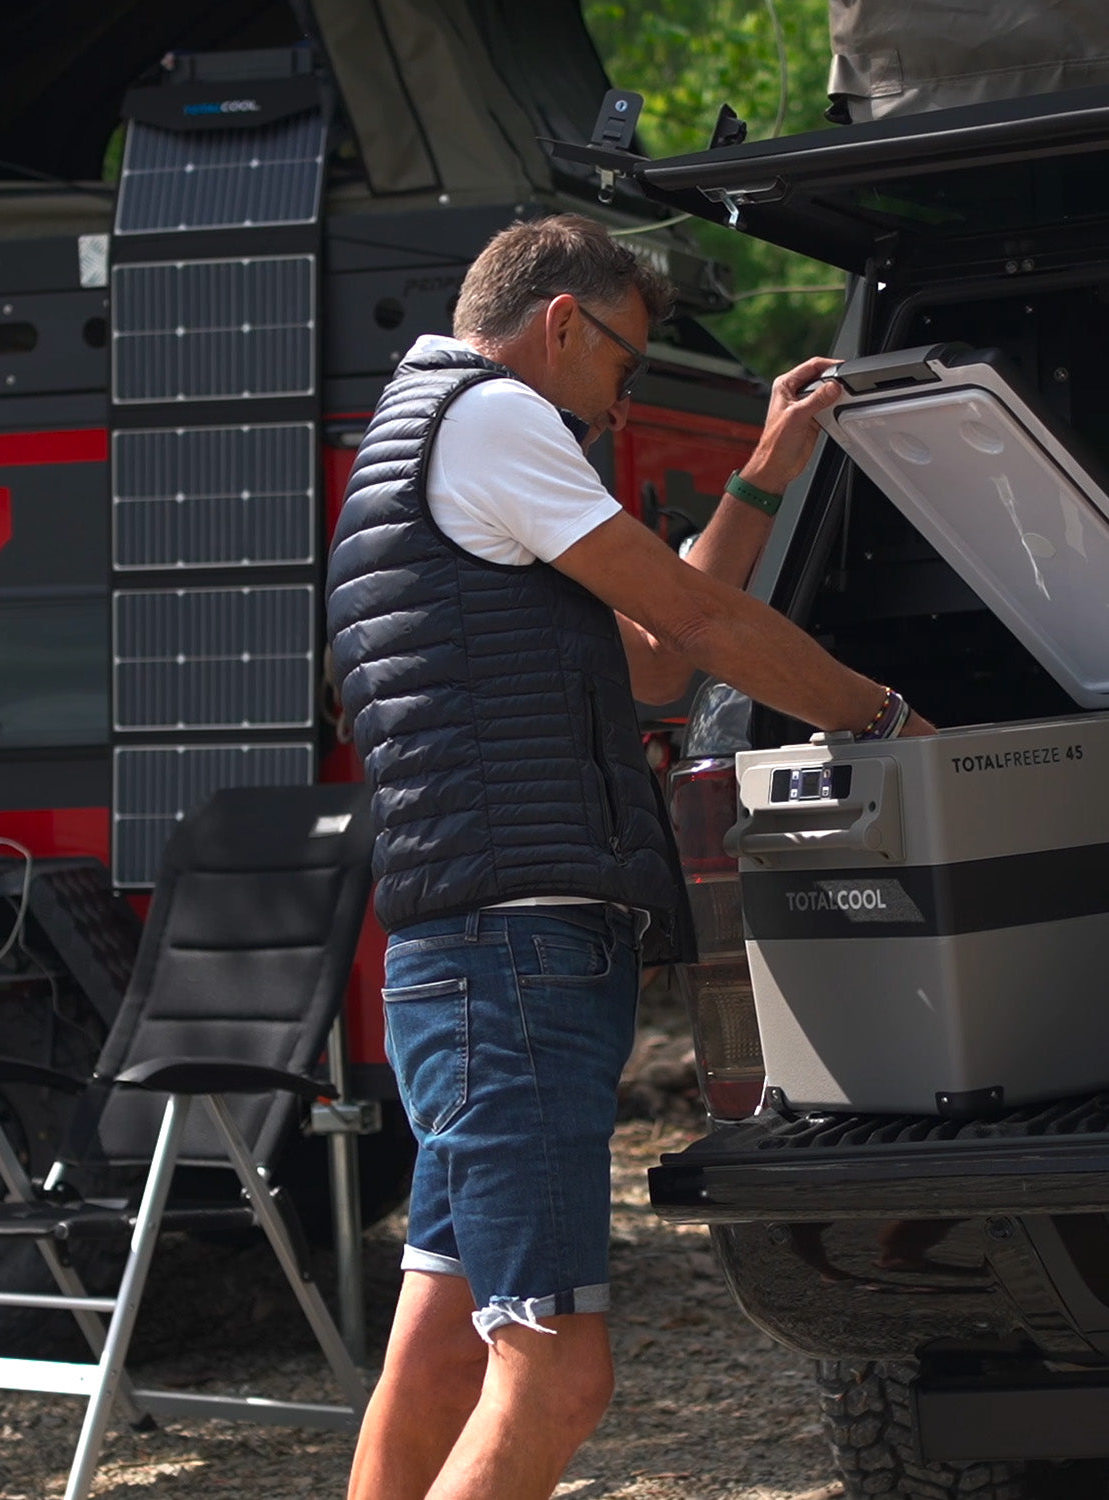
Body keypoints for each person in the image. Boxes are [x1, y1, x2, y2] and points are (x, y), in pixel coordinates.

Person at [326, 212, 932, 1500]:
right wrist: (893, 728)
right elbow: (701, 624)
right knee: (559, 1368)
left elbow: (652, 656)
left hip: (468, 958)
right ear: (560, 323)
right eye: (626, 363)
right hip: (516, 958)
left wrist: (767, 466)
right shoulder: (492, 419)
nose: (620, 399)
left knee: (441, 1349)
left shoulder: (421, 430)